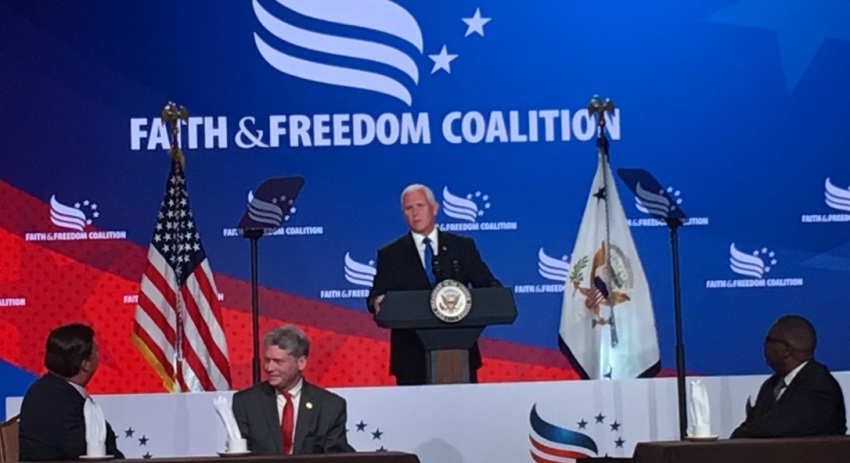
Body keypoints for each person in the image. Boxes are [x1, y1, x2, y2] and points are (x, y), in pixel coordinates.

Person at [367, 184, 501, 385]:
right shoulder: (390, 254)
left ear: (434, 207)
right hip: (411, 358)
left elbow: (488, 284)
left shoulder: (462, 247)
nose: (415, 213)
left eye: (420, 205)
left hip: (460, 352)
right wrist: (377, 301)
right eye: (409, 208)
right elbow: (376, 295)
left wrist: (495, 297)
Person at [232, 325, 354, 454]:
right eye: (267, 360)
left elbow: (336, 457)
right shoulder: (246, 403)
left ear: (301, 363)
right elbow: (241, 455)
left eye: (278, 362)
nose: (269, 368)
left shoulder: (330, 406)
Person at [18, 323, 125, 461]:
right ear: (85, 364)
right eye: (96, 351)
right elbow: (93, 450)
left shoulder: (50, 389)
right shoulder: (55, 399)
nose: (99, 357)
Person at [730, 315, 846, 438]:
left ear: (786, 350)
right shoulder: (771, 385)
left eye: (769, 340)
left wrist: (739, 435)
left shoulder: (819, 386)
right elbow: (753, 425)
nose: (764, 345)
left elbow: (778, 428)